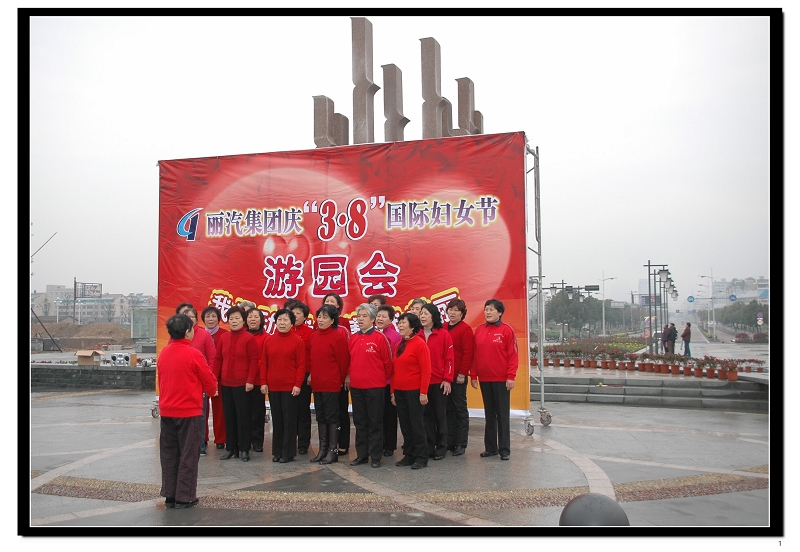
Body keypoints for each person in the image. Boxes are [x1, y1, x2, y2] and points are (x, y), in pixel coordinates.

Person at [158, 314, 217, 509]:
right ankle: (185, 497)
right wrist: (212, 391)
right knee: (188, 455)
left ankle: (170, 494)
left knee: (169, 454)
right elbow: (209, 380)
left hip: (167, 411)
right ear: (187, 332)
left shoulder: (164, 353)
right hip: (189, 412)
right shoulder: (193, 354)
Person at [471, 299, 518, 461]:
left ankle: (504, 449)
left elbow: (513, 355)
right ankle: (490, 448)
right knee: (489, 414)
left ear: (500, 312)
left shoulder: (506, 330)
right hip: (484, 379)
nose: (488, 312)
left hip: (501, 380)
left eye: (491, 309)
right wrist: (473, 375)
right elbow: (475, 354)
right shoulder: (479, 330)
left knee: (502, 415)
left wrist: (511, 376)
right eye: (486, 309)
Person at [348, 304, 393, 468]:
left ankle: (375, 456)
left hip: (375, 387)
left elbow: (388, 364)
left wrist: (378, 378)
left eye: (364, 316)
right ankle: (362, 455)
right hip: (356, 387)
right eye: (358, 316)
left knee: (375, 422)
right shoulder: (353, 338)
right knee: (360, 422)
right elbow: (349, 362)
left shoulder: (380, 338)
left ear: (373, 319)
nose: (360, 319)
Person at [212, 305, 259, 462]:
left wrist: (250, 380)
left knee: (243, 417)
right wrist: (214, 379)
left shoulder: (248, 338)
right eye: (231, 318)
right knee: (229, 416)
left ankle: (244, 449)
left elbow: (254, 360)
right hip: (226, 383)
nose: (234, 321)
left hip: (243, 384)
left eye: (237, 318)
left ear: (243, 320)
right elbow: (218, 359)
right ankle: (230, 448)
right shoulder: (224, 337)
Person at [259, 309, 305, 463]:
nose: (282, 323)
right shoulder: (269, 340)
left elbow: (301, 365)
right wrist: (263, 382)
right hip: (273, 386)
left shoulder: (297, 341)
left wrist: (297, 384)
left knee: (289, 420)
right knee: (277, 420)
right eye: (279, 320)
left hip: (290, 387)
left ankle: (288, 452)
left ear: (292, 323)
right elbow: (264, 362)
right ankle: (277, 451)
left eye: (286, 320)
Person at [308, 304, 350, 464]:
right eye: (319, 317)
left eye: (325, 317)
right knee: (320, 416)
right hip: (317, 383)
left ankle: (333, 451)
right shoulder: (314, 336)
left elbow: (343, 362)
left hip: (332, 383)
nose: (321, 320)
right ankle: (322, 449)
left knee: (332, 417)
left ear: (332, 320)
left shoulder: (338, 337)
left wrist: (339, 380)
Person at [391, 313, 431, 470]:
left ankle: (421, 456)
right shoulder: (398, 345)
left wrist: (423, 392)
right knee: (405, 425)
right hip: (400, 391)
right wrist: (393, 392)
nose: (400, 325)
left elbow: (426, 370)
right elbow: (394, 371)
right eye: (399, 322)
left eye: (404, 323)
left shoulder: (420, 344)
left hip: (414, 391)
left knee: (417, 424)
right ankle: (409, 454)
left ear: (412, 327)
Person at [418, 303, 453, 461]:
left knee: (440, 415)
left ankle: (441, 446)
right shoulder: (417, 334)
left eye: (426, 313)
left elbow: (449, 358)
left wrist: (447, 379)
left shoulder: (443, 334)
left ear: (434, 316)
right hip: (422, 382)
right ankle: (429, 446)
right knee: (426, 415)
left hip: (439, 381)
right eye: (421, 313)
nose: (422, 316)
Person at [321, 293, 352, 455]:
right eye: (326, 301)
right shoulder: (319, 325)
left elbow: (346, 353)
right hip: (324, 378)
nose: (329, 303)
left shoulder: (344, 325)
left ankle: (343, 443)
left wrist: (347, 374)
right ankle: (327, 444)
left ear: (339, 306)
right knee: (326, 413)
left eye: (332, 301)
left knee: (341, 411)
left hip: (340, 377)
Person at [182, 308, 215, 456]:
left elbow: (212, 358)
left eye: (192, 317)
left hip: (199, 382)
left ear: (196, 319)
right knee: (184, 415)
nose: (190, 319)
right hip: (183, 382)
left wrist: (209, 379)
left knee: (200, 415)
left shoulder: (204, 334)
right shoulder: (177, 335)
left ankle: (200, 445)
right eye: (186, 316)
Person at [445, 298, 474, 456]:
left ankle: (461, 443)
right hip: (445, 377)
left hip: (458, 377)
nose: (452, 313)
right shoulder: (443, 327)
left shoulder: (465, 329)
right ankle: (449, 441)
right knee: (447, 409)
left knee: (460, 409)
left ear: (462, 313)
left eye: (456, 310)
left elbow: (468, 354)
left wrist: (462, 373)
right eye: (451, 309)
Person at [287, 300, 313, 455]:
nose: (295, 316)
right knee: (289, 411)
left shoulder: (310, 333)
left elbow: (314, 356)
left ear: (305, 316)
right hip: (287, 376)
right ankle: (290, 441)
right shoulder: (284, 331)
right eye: (293, 313)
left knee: (303, 410)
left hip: (304, 375)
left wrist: (311, 374)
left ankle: (303, 443)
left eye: (298, 313)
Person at [376, 305, 401, 457]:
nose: (380, 319)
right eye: (378, 316)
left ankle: (390, 445)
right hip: (374, 382)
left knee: (389, 415)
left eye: (384, 316)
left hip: (389, 382)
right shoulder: (371, 334)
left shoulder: (396, 336)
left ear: (391, 319)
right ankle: (378, 443)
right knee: (376, 415)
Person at [201, 306, 227, 450]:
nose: (210, 319)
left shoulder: (224, 334)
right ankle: (203, 438)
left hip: (219, 377)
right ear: (203, 319)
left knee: (220, 409)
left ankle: (220, 439)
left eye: (213, 316)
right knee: (202, 409)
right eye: (208, 316)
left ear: (218, 319)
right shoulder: (198, 334)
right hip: (201, 377)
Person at [244, 307, 268, 453]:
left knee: (258, 412)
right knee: (244, 412)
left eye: (256, 317)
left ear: (261, 320)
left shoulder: (266, 337)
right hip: (243, 379)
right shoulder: (241, 335)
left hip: (258, 380)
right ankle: (244, 441)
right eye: (250, 317)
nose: (252, 319)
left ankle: (257, 441)